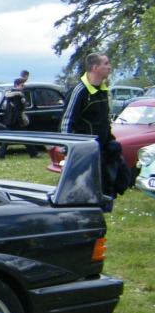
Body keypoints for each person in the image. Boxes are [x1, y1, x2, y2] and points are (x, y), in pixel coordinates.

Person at [60, 53, 126, 211]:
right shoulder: (79, 91)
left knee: (115, 181)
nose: (110, 67)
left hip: (104, 148)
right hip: (86, 150)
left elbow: (104, 120)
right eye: (106, 63)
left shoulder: (103, 90)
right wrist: (66, 149)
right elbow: (67, 120)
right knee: (87, 189)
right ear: (95, 68)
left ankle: (104, 209)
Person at [0, 78, 38, 159]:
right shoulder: (17, 95)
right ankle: (33, 154)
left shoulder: (10, 94)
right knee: (26, 137)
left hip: (9, 119)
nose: (23, 87)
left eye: (23, 85)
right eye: (22, 85)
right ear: (16, 85)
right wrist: (20, 122)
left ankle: (1, 156)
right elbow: (17, 110)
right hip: (15, 120)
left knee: (6, 139)